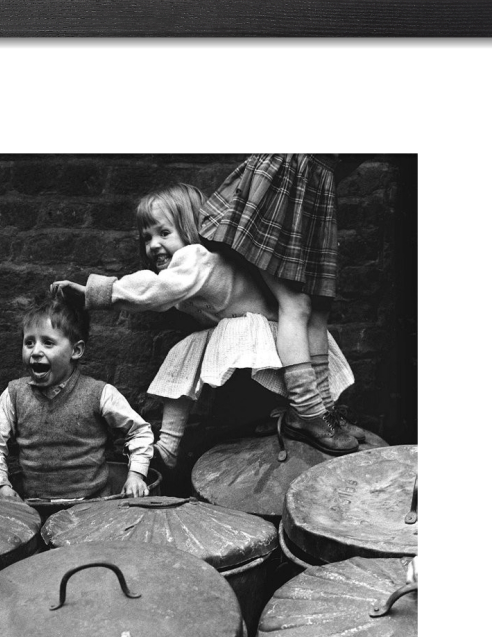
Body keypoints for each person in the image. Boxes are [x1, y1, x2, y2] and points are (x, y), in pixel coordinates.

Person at [53, 183, 356, 466]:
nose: (154, 245)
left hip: (272, 336)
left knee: (198, 348)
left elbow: (155, 289)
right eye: (147, 238)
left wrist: (97, 293)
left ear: (188, 228)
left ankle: (299, 415)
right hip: (255, 335)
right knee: (183, 352)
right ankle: (168, 446)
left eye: (164, 233)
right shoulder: (188, 267)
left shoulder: (195, 258)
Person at [200, 155, 367, 448]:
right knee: (296, 304)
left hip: (318, 183)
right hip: (289, 175)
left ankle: (324, 409)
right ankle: (306, 411)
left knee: (318, 311)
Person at [0, 288, 154, 500]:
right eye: (29, 342)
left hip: (94, 505)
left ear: (76, 350)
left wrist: (136, 475)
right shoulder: (14, 395)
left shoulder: (99, 394)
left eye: (48, 343)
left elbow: (139, 431)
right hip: (37, 506)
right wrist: (0, 485)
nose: (35, 351)